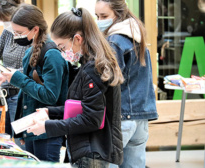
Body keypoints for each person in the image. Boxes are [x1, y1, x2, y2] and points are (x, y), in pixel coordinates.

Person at [26, 7, 124, 167]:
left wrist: (47, 127)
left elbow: (91, 119)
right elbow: (81, 106)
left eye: (62, 47)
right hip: (90, 149)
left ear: (78, 39)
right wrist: (49, 112)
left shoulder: (93, 69)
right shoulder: (90, 64)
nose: (62, 53)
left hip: (93, 152)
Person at [1, 4, 69, 162]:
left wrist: (18, 79)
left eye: (19, 33)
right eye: (15, 32)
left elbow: (50, 96)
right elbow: (25, 96)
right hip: (31, 127)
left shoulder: (52, 54)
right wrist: (21, 130)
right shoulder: (30, 51)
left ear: (35, 29)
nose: (17, 37)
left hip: (47, 130)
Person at [95, 0, 158, 167]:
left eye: (104, 16)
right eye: (97, 16)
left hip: (121, 117)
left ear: (119, 14)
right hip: (141, 117)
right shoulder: (138, 36)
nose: (99, 21)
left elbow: (108, 80)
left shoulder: (114, 41)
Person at [0, 0, 31, 139]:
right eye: (3, 22)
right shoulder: (7, 33)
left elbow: (33, 69)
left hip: (20, 95)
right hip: (3, 95)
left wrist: (12, 74)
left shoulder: (30, 36)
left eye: (8, 21)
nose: (6, 26)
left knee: (19, 141)